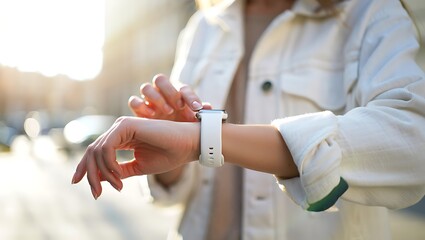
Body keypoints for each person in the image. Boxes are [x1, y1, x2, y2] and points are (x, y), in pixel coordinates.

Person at [72, 0, 425, 239]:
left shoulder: (368, 11)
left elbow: (412, 143)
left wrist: (203, 139)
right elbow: (179, 192)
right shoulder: (204, 27)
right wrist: (173, 155)